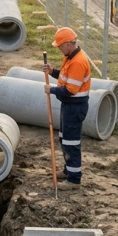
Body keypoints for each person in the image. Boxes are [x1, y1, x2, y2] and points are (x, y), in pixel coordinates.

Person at [43, 27, 91, 191]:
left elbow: (71, 90)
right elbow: (65, 77)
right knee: (64, 139)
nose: (59, 48)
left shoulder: (78, 61)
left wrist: (52, 90)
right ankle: (68, 170)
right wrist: (52, 72)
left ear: (69, 44)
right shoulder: (70, 57)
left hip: (74, 107)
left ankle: (74, 180)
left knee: (71, 143)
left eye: (61, 45)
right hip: (68, 106)